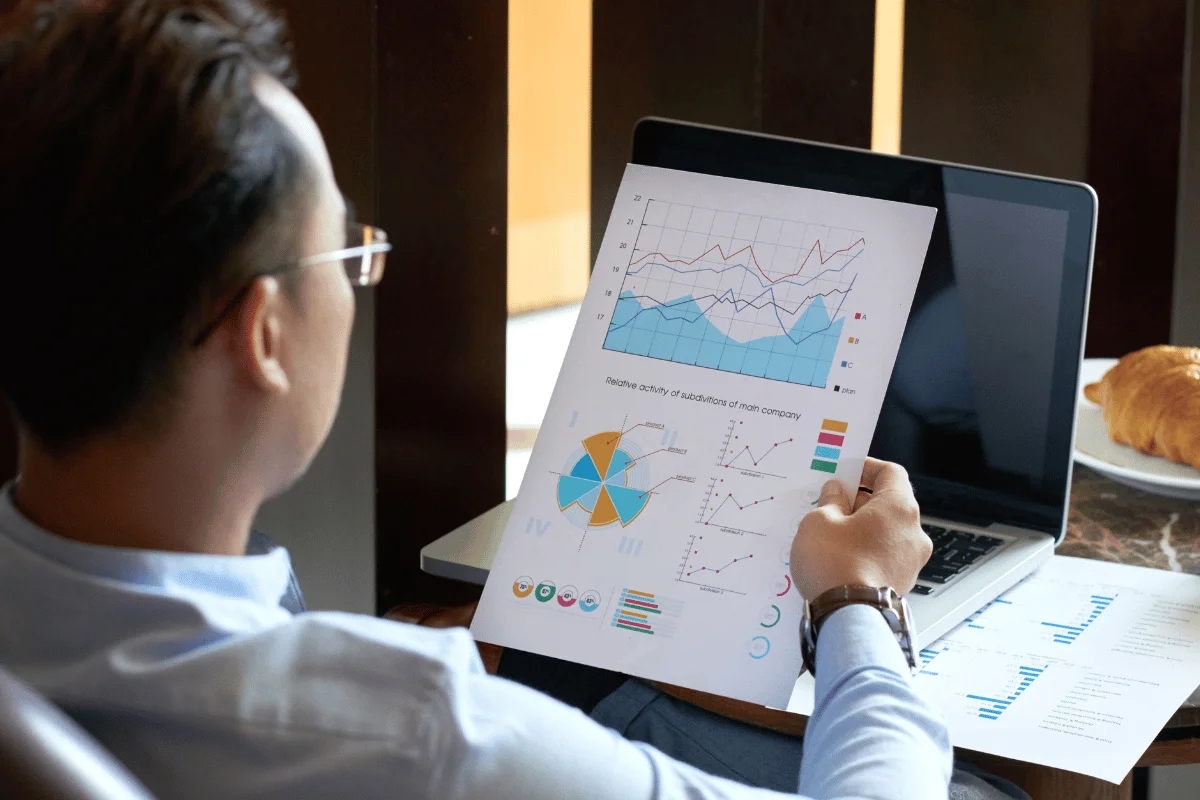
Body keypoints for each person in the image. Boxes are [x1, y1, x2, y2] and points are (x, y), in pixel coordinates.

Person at [0, 2, 1020, 798]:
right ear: (264, 333)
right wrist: (857, 598)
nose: (359, 277)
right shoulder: (417, 731)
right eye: (349, 252)